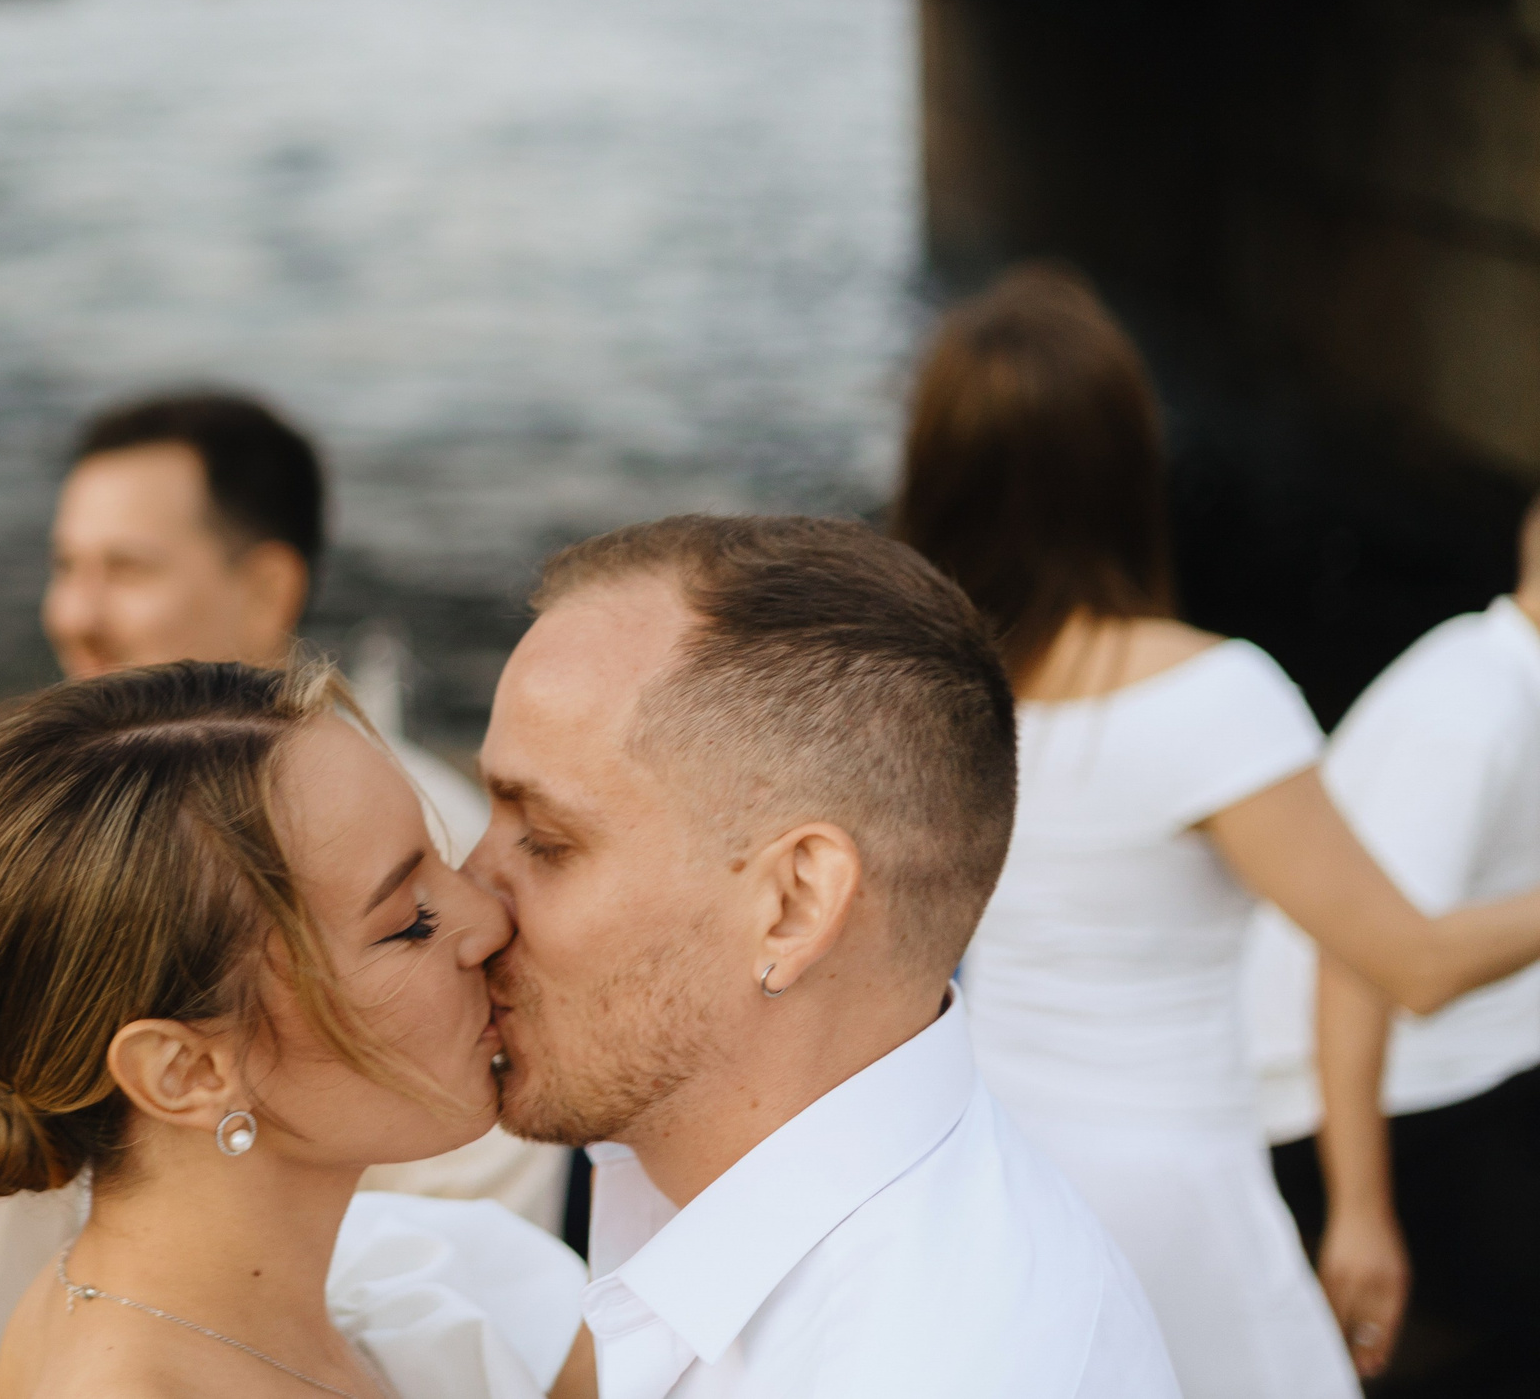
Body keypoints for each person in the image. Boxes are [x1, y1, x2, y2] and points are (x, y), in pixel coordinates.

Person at [0, 392, 566, 1399]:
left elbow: (472, 1266)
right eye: (64, 568)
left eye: (126, 568)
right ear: (181, 1069)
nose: (74, 615)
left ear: (268, 587)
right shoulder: (62, 851)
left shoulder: (422, 847)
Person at [891, 266, 1540, 1399]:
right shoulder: (1212, 697)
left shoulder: (921, 701)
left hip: (981, 1173)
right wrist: (1362, 1208)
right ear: (1127, 461)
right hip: (1171, 1202)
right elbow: (1413, 964)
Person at [472, 512, 1179, 1398]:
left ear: (794, 905)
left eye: (543, 840)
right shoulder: (693, 1180)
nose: (466, 904)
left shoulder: (936, 1365)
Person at [0, 657, 588, 1399]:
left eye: (443, 859)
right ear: (187, 1072)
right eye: (409, 922)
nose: (488, 920)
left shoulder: (369, 1281)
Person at [1244, 489, 1540, 1390]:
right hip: (1364, 1096)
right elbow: (1357, 963)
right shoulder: (1469, 712)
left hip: (1477, 1061)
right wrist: (1360, 1213)